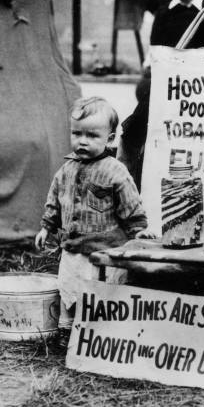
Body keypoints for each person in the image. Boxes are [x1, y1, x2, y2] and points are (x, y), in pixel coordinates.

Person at [35, 97, 153, 350]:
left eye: (92, 135)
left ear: (109, 139)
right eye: (77, 134)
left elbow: (130, 203)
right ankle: (67, 331)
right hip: (73, 247)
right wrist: (46, 226)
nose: (83, 141)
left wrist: (139, 229)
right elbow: (55, 200)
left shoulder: (115, 170)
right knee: (68, 287)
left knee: (102, 291)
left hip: (104, 250)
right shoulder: (66, 169)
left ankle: (102, 336)